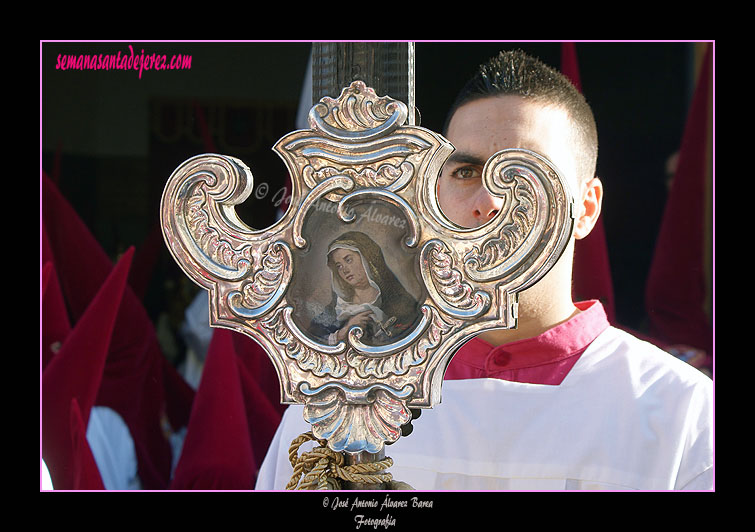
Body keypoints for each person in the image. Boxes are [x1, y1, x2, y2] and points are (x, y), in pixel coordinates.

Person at [256, 49, 713, 490]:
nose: (489, 202)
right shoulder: (340, 404)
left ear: (586, 207)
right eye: (465, 172)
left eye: (523, 172)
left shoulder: (683, 416)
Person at [309, 231, 419, 345]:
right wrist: (344, 332)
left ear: (366, 258)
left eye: (348, 260)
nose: (345, 270)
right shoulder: (336, 309)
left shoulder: (399, 302)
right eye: (339, 266)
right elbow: (314, 340)